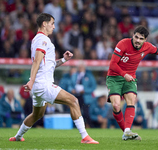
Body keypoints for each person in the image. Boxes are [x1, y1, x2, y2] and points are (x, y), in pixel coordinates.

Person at [9, 13, 99, 144]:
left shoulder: (38, 39)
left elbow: (48, 65)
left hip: (39, 86)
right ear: (44, 24)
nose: (54, 27)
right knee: (73, 101)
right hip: (43, 84)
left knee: (37, 115)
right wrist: (31, 80)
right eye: (52, 23)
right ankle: (85, 137)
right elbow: (37, 62)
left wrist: (63, 60)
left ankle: (17, 136)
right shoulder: (43, 39)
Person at [106, 25, 158, 141]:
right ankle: (125, 131)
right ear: (133, 36)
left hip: (130, 78)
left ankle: (127, 131)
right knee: (116, 105)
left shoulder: (147, 47)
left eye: (141, 38)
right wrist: (124, 74)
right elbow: (113, 64)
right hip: (114, 77)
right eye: (136, 37)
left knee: (131, 100)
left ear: (145, 40)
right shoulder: (122, 44)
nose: (138, 40)